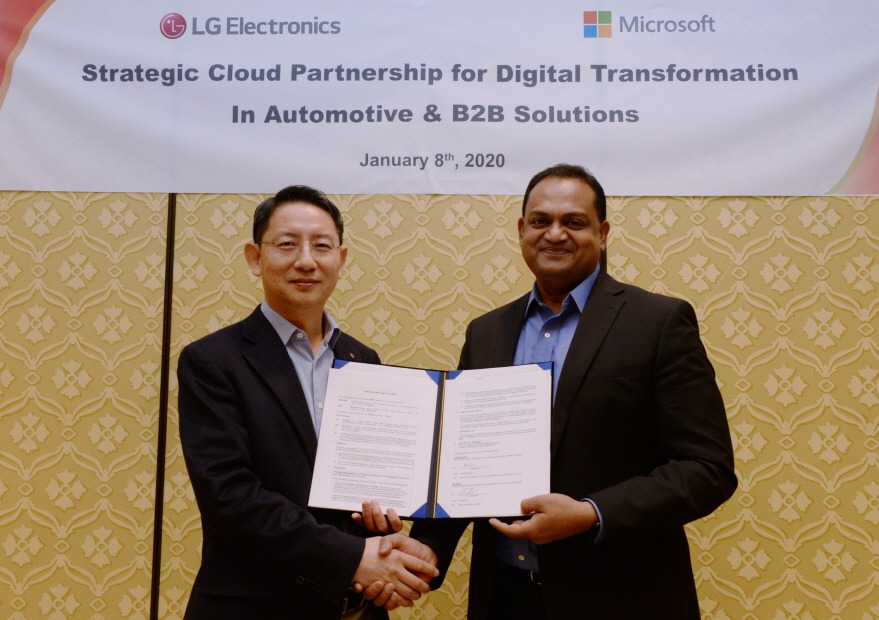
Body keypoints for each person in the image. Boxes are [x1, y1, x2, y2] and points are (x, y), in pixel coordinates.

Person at [397, 164, 738, 618]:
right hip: (505, 598)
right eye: (541, 221)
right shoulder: (487, 333)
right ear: (522, 230)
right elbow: (465, 464)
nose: (555, 234)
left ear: (603, 233)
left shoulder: (658, 323)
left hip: (621, 599)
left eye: (573, 222)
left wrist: (592, 513)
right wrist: (428, 546)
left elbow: (707, 469)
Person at [177, 185, 438, 619]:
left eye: (321, 246)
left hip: (356, 607)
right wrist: (354, 559)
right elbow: (231, 498)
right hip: (255, 608)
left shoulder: (363, 360)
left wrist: (383, 523)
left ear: (341, 259)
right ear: (254, 258)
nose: (306, 260)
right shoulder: (213, 361)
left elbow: (367, 489)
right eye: (286, 244)